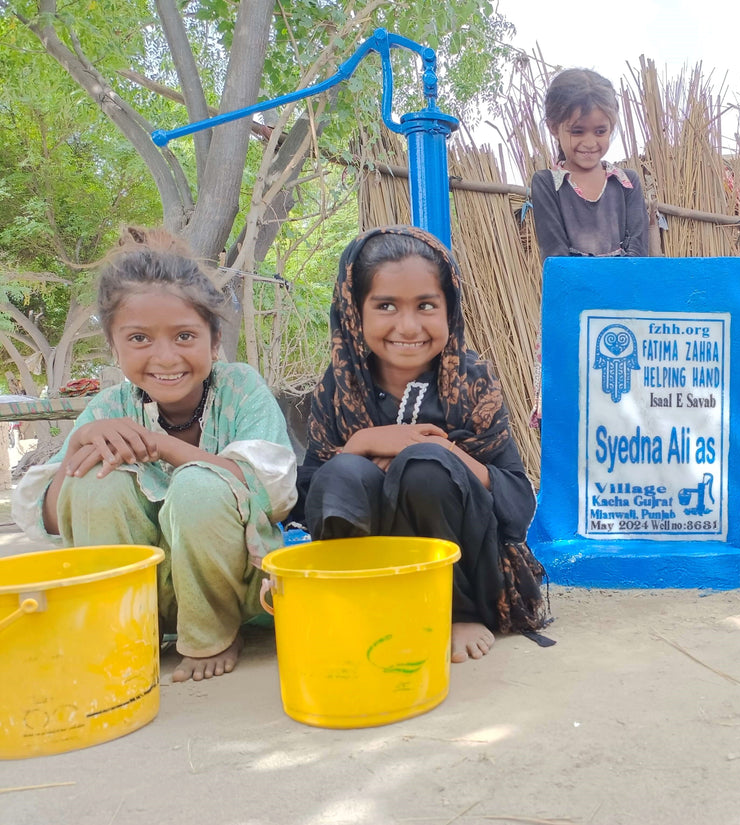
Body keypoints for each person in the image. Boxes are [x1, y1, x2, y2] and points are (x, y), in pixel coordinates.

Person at [13, 227, 297, 681]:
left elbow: (269, 489)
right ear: (114, 346)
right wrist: (80, 449)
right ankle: (124, 632)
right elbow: (48, 518)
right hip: (151, 596)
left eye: (184, 336)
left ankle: (212, 636)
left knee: (201, 487)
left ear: (214, 339)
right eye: (140, 339)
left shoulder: (240, 387)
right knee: (92, 479)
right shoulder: (108, 409)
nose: (164, 357)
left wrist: (164, 447)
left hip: (235, 586)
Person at [292, 225, 548, 662]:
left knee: (426, 468)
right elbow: (307, 502)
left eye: (426, 305)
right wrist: (363, 441)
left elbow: (518, 504)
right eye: (386, 306)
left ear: (449, 310)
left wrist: (447, 452)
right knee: (342, 472)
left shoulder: (472, 385)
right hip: (377, 566)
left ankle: (455, 611)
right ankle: (355, 602)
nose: (408, 326)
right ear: (356, 313)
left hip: (469, 570)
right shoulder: (337, 391)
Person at [528, 68, 649, 428]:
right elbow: (556, 258)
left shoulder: (627, 184)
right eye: (577, 131)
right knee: (569, 406)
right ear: (554, 127)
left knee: (624, 411)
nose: (590, 142)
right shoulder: (547, 184)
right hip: (569, 312)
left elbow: (638, 254)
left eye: (601, 131)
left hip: (625, 311)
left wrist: (614, 291)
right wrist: (599, 285)